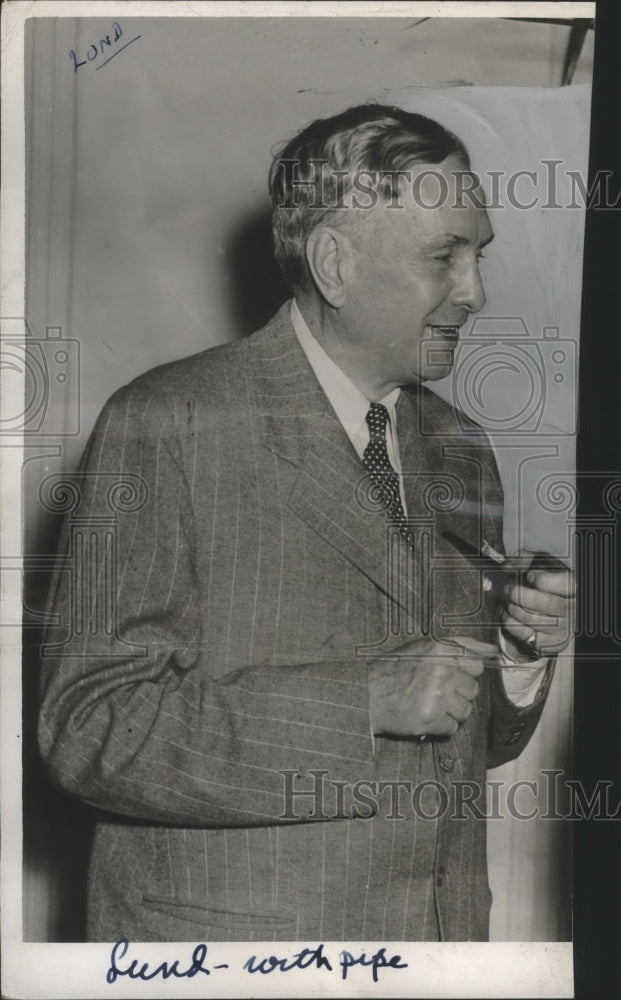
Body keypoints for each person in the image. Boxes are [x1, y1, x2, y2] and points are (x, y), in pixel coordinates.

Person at [38, 104, 575, 942]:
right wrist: (361, 700)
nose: (476, 292)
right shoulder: (167, 421)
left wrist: (517, 653)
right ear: (334, 264)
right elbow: (88, 731)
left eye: (478, 255)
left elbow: (463, 744)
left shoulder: (459, 446)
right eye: (446, 257)